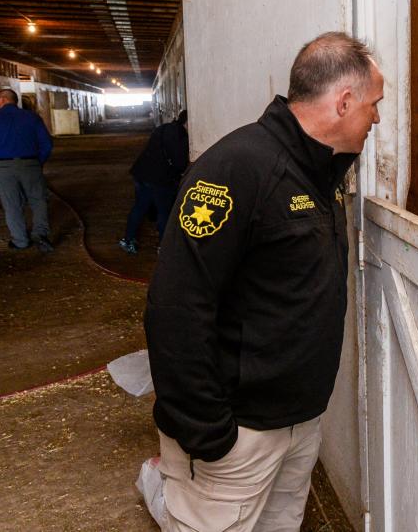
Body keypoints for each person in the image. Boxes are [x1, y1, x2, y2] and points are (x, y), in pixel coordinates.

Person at [142, 32, 384, 532]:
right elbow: (175, 308)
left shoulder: (321, 173)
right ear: (343, 102)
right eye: (374, 105)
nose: (377, 118)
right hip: (235, 433)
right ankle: (163, 484)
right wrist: (207, 432)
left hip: (298, 423)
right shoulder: (235, 170)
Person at [0, 88, 54, 252]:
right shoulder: (32, 117)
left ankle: (20, 241)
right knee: (38, 201)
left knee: (12, 204)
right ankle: (40, 235)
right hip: (31, 164)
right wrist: (38, 162)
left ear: (2, 100)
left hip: (4, 166)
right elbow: (46, 143)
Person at [119, 110, 189, 254]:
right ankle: (163, 247)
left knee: (139, 207)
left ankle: (127, 240)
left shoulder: (162, 128)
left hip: (141, 174)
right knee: (164, 212)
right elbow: (179, 163)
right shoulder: (179, 136)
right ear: (187, 122)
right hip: (160, 179)